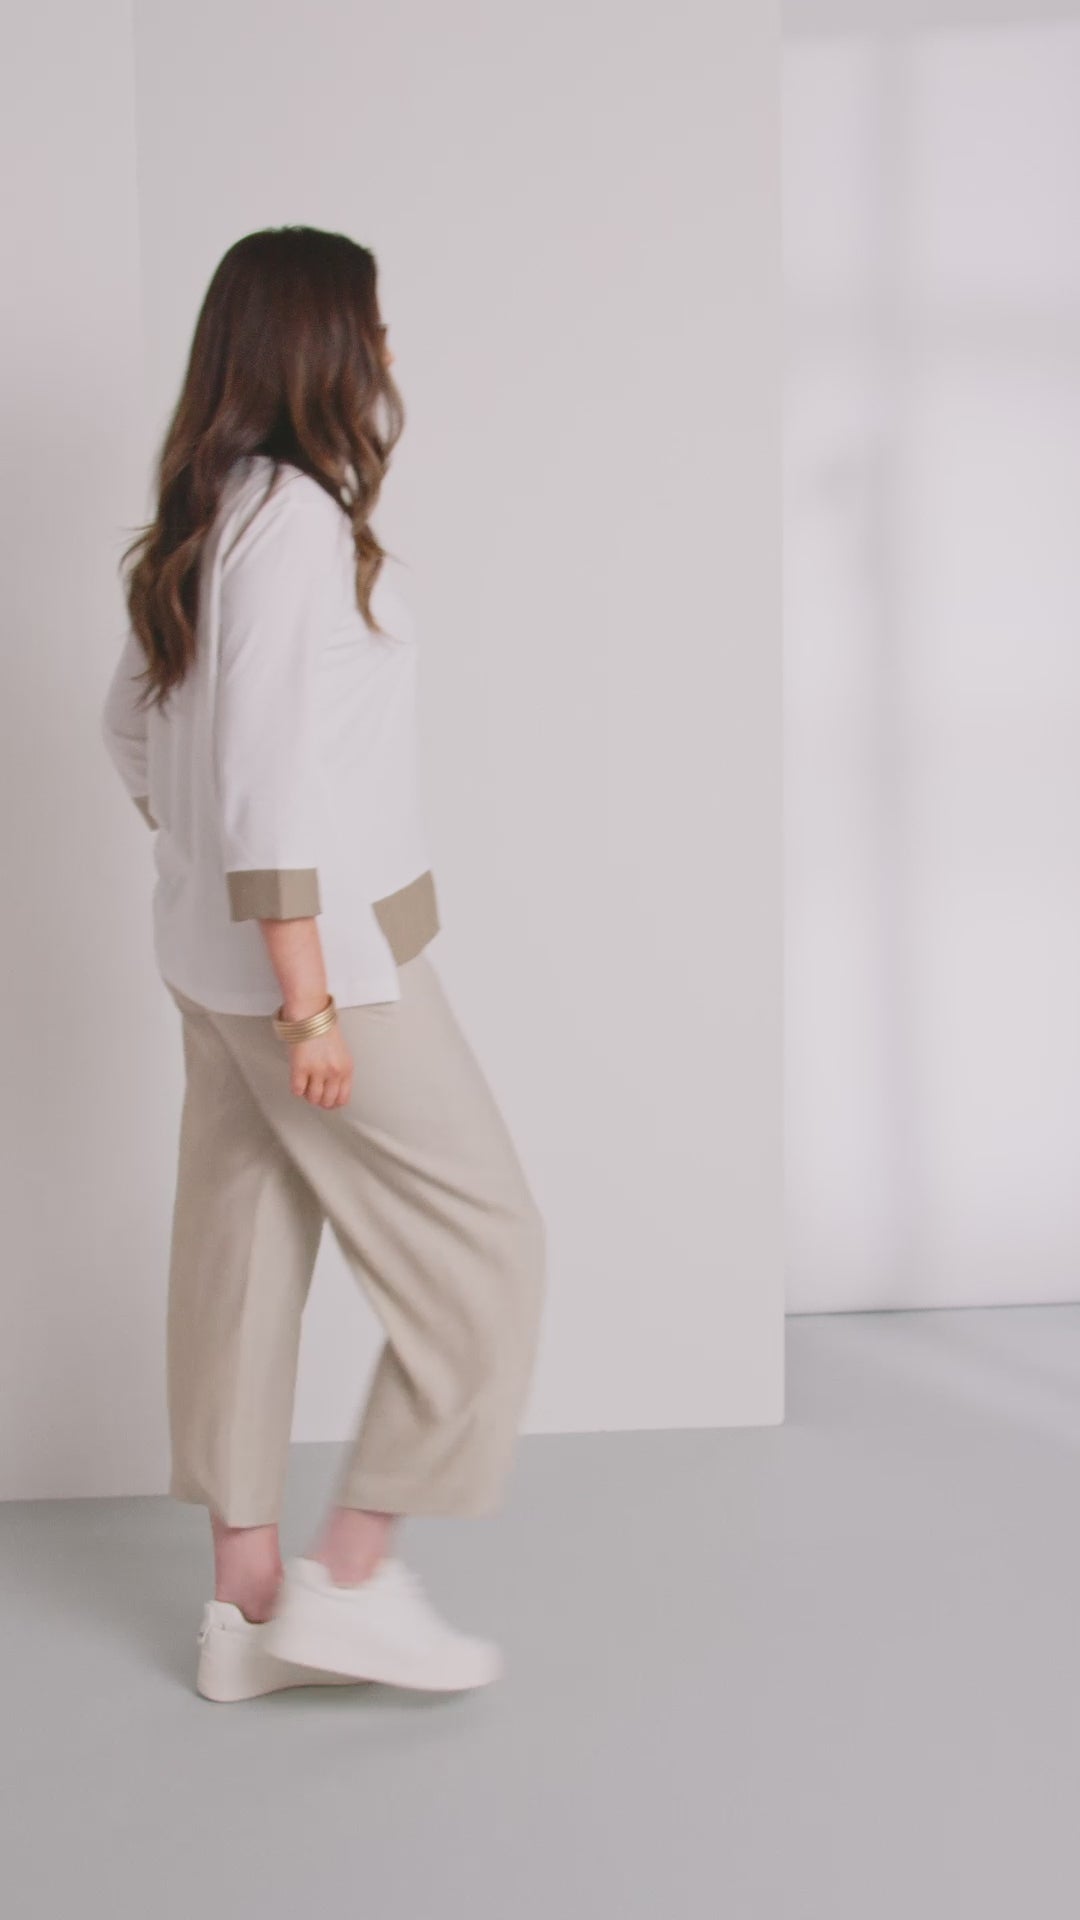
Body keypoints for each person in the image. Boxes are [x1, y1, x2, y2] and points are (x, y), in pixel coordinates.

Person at [100, 225, 546, 1704]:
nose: (390, 352)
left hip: (208, 958)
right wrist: (306, 997)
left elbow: (132, 732)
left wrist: (209, 883)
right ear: (320, 347)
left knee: (239, 1251)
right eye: (374, 326)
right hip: (323, 970)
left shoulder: (206, 512)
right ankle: (349, 1580)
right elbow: (268, 772)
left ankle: (244, 1617)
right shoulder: (290, 520)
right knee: (488, 1247)